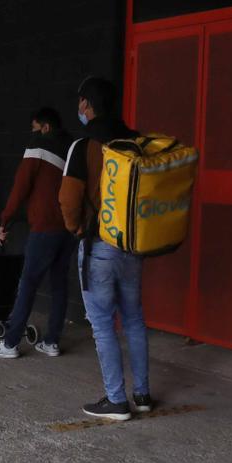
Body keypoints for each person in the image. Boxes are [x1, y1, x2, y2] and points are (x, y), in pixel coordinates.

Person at [57, 76, 149, 421]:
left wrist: (77, 228)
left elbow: (68, 199)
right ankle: (141, 394)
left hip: (99, 246)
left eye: (80, 102)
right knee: (135, 318)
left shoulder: (83, 146)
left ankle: (115, 400)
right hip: (134, 246)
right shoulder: (138, 142)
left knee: (101, 323)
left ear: (86, 105)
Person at [0, 108, 75, 359]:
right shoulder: (72, 148)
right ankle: (51, 342)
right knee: (59, 285)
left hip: (44, 228)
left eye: (34, 128)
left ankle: (10, 344)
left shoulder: (38, 146)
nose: (31, 133)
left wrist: (5, 219)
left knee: (28, 284)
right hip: (68, 228)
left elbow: (20, 187)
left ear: (44, 127)